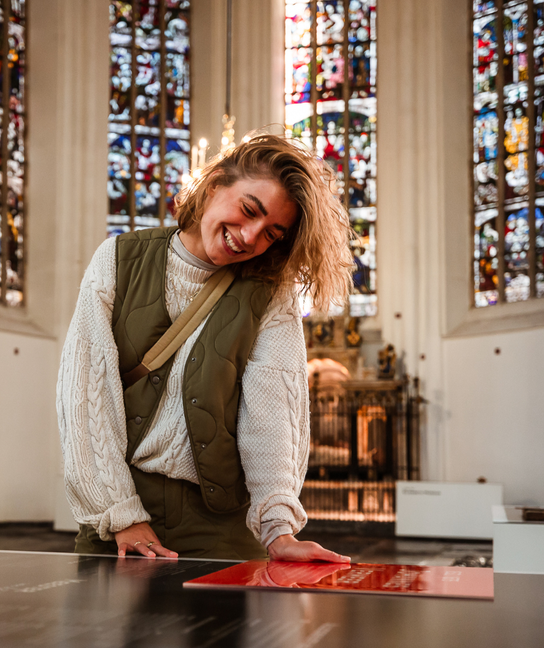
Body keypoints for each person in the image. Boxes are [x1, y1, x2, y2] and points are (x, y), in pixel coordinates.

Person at [57, 133, 353, 563]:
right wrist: (120, 515)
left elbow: (272, 416)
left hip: (222, 528)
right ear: (214, 184)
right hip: (121, 519)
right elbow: (85, 395)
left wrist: (278, 530)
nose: (250, 237)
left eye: (271, 233)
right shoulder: (118, 258)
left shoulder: (271, 293)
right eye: (249, 209)